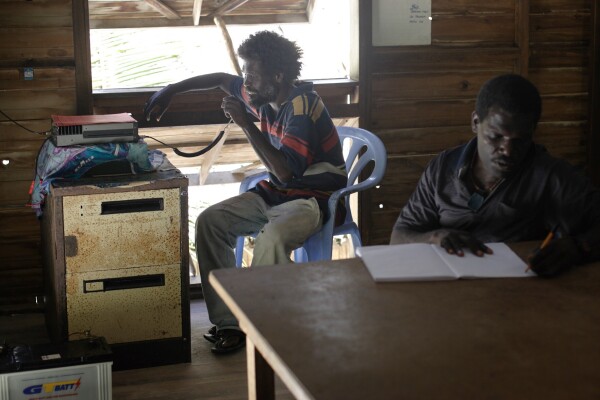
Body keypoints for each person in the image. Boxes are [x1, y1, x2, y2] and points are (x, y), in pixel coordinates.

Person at [144, 31, 347, 354]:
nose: (246, 80)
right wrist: (173, 90)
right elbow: (222, 79)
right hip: (278, 194)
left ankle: (265, 324)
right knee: (210, 223)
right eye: (246, 72)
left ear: (277, 76)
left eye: (251, 73)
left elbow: (285, 170)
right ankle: (230, 324)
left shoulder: (303, 107)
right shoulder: (263, 94)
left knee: (272, 239)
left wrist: (244, 123)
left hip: (312, 199)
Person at [390, 73, 600, 277]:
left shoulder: (551, 177)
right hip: (447, 289)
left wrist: (578, 247)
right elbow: (398, 236)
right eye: (495, 137)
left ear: (532, 131)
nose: (507, 150)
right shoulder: (444, 167)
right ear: (475, 122)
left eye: (520, 140)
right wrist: (434, 237)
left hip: (517, 295)